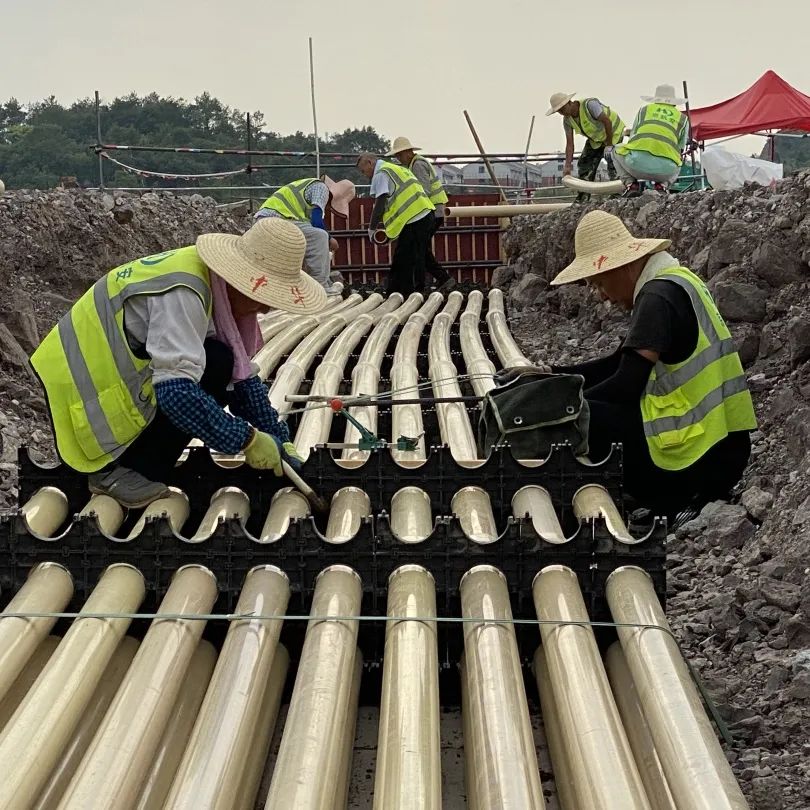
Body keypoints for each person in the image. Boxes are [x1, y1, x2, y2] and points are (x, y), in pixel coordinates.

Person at [29, 218, 324, 508]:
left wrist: (276, 435)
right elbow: (177, 394)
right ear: (241, 280)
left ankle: (143, 466)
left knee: (218, 360)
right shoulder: (183, 293)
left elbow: (241, 382)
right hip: (84, 390)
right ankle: (117, 472)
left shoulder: (206, 279)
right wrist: (245, 440)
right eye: (264, 298)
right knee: (212, 368)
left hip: (107, 379)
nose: (265, 308)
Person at [547, 210, 757, 518]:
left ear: (625, 266)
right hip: (725, 451)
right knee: (585, 408)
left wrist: (559, 408)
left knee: (583, 419)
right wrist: (553, 377)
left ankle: (669, 500)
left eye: (600, 282)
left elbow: (626, 386)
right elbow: (619, 363)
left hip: (698, 460)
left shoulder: (655, 297)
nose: (602, 295)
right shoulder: (677, 281)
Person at [255, 175, 355, 295]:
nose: (328, 207)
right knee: (320, 236)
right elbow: (317, 221)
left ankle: (317, 283)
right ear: (333, 196)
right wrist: (330, 239)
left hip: (266, 220)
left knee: (310, 239)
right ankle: (320, 285)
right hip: (276, 219)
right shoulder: (321, 188)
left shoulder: (307, 189)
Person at [355, 152, 435, 296]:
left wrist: (372, 228)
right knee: (414, 257)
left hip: (414, 217)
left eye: (363, 170)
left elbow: (380, 202)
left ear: (370, 163)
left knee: (403, 259)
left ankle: (400, 293)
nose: (364, 174)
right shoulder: (394, 168)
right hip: (423, 213)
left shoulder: (381, 173)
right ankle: (413, 291)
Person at [386, 136, 455, 293]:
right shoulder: (415, 164)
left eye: (399, 155)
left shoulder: (417, 165)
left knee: (419, 251)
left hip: (431, 213)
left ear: (408, 152)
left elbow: (424, 190)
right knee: (421, 250)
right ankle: (442, 279)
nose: (398, 158)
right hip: (432, 212)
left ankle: (423, 285)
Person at [546, 92, 625, 202]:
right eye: (559, 111)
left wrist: (609, 145)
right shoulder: (567, 120)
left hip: (613, 134)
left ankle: (617, 195)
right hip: (596, 140)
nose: (562, 113)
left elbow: (607, 121)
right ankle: (583, 196)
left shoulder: (590, 105)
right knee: (585, 163)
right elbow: (570, 144)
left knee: (613, 162)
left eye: (562, 109)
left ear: (569, 103)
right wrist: (567, 166)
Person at [612, 84, 689, 197]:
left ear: (655, 100)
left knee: (615, 149)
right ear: (674, 102)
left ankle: (631, 185)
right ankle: (662, 186)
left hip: (636, 166)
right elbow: (681, 147)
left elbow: (633, 137)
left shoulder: (644, 110)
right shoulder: (683, 119)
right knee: (678, 159)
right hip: (665, 172)